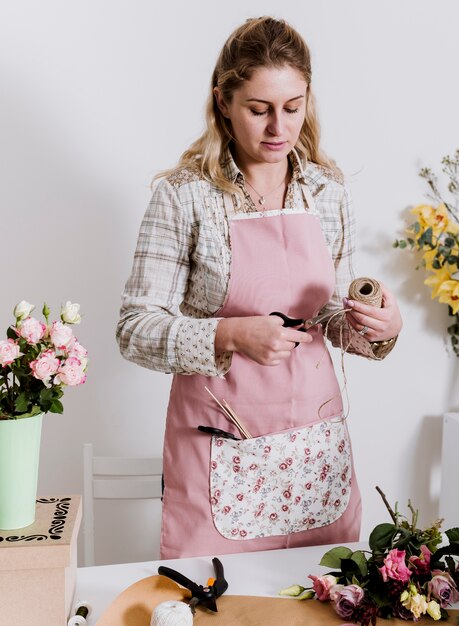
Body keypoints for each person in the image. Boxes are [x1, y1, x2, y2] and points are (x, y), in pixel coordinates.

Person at [117, 16, 403, 560]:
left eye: (292, 107)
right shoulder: (184, 197)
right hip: (219, 448)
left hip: (313, 454)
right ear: (223, 101)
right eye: (259, 109)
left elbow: (333, 321)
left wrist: (380, 328)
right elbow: (134, 330)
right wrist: (229, 335)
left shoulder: (327, 191)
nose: (278, 128)